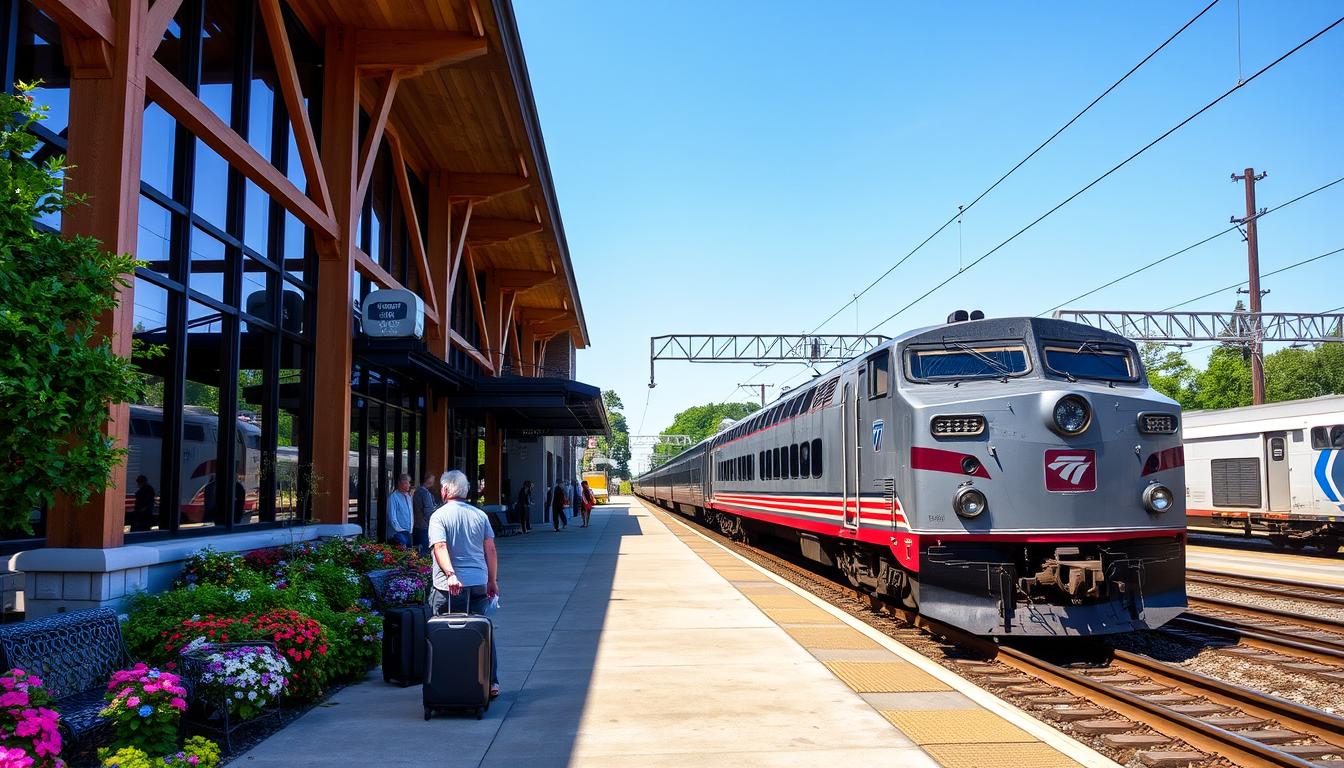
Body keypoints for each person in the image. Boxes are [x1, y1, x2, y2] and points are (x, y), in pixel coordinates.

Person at [428, 469, 500, 699]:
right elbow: (490, 549)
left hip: (448, 587)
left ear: (446, 490)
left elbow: (440, 547)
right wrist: (492, 580)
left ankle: (448, 681)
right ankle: (491, 683)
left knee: (444, 635)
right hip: (478, 582)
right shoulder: (480, 515)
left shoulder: (439, 516)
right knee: (481, 632)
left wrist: (450, 574)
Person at [413, 472, 438, 555]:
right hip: (425, 525)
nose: (434, 482)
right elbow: (428, 511)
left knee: (416, 550)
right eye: (433, 480)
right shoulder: (426, 493)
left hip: (416, 524)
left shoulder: (416, 491)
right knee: (425, 552)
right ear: (428, 480)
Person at [386, 473, 414, 547]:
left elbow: (411, 513)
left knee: (410, 555)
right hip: (398, 533)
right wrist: (400, 529)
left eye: (408, 483)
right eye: (406, 483)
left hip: (408, 532)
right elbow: (392, 517)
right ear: (400, 484)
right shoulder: (393, 497)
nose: (409, 485)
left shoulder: (409, 497)